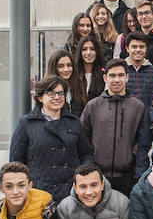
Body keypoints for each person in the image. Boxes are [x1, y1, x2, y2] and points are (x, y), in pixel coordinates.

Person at [10, 76, 93, 204]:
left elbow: (85, 153)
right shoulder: (27, 123)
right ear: (40, 97)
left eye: (60, 93)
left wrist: (83, 178)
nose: (57, 97)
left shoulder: (74, 122)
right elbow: (17, 161)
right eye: (51, 93)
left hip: (72, 192)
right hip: (39, 193)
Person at [81, 59, 146, 196]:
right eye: (112, 75)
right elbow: (83, 138)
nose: (117, 80)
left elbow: (142, 140)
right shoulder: (93, 106)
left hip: (128, 177)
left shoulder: (138, 107)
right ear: (105, 78)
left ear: (127, 77)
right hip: (98, 176)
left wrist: (132, 158)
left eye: (121, 75)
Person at [123, 31, 153, 108]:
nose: (138, 50)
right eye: (134, 47)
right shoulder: (120, 70)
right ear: (127, 48)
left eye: (141, 47)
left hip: (147, 117)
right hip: (124, 116)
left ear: (146, 48)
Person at [45, 49, 86, 117]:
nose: (66, 69)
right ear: (54, 68)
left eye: (69, 65)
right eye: (61, 66)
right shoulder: (46, 89)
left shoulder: (78, 87)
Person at [74, 35, 106, 101]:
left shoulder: (103, 75)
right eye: (84, 49)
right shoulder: (74, 75)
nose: (88, 53)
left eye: (92, 49)